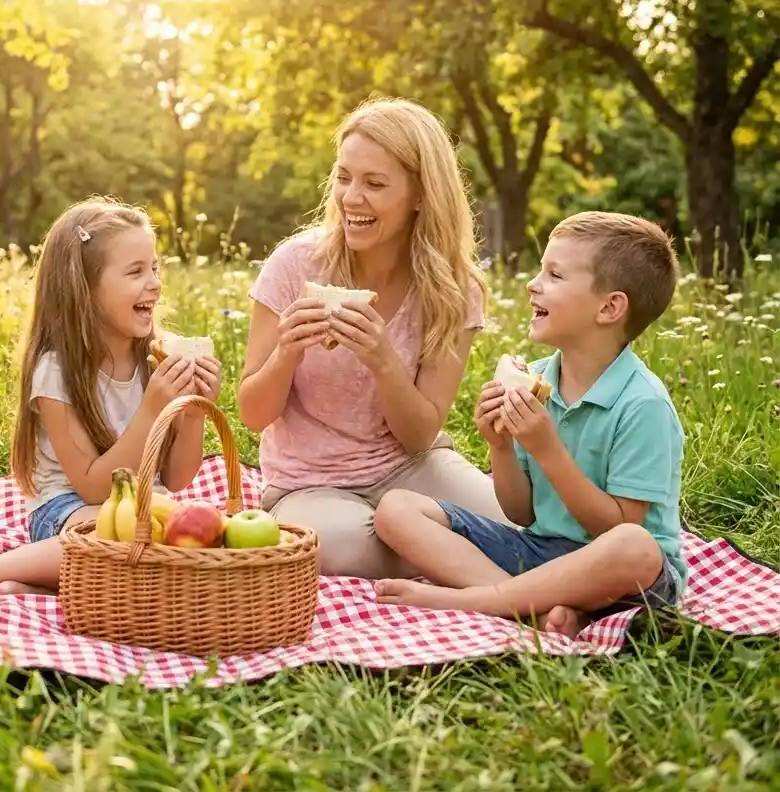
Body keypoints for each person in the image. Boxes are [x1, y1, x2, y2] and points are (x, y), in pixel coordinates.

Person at [373, 211, 686, 640]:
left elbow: (615, 530)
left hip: (627, 576)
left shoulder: (642, 404)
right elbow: (522, 512)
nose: (532, 283)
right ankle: (537, 610)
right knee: (397, 509)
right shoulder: (538, 378)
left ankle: (477, 601)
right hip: (542, 552)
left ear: (609, 307)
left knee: (634, 546)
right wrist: (499, 447)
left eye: (555, 275)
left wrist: (546, 449)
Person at [237, 96, 509, 579]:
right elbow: (253, 415)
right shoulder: (293, 266)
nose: (350, 198)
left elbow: (420, 434)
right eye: (343, 178)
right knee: (338, 547)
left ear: (422, 194)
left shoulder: (452, 289)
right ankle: (477, 568)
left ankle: (461, 557)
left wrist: (383, 360)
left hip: (410, 468)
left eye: (375, 184)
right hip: (308, 486)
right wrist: (285, 354)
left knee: (509, 522)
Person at [0, 197, 222, 599]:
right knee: (119, 544)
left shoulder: (156, 357)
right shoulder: (56, 373)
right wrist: (152, 409)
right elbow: (94, 489)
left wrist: (194, 412)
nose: (155, 283)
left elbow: (177, 479)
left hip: (145, 505)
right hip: (67, 512)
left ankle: (32, 589)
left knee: (190, 546)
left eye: (155, 268)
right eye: (135, 271)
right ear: (84, 289)